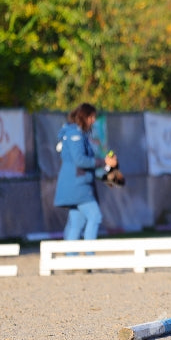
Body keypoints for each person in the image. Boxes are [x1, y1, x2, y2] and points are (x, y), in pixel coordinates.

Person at [53, 103, 117, 244]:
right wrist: (103, 162)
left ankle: (71, 259)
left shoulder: (77, 133)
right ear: (84, 116)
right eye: (92, 117)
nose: (93, 120)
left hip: (79, 183)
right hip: (78, 185)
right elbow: (80, 160)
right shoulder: (75, 134)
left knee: (76, 223)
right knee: (95, 216)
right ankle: (88, 258)